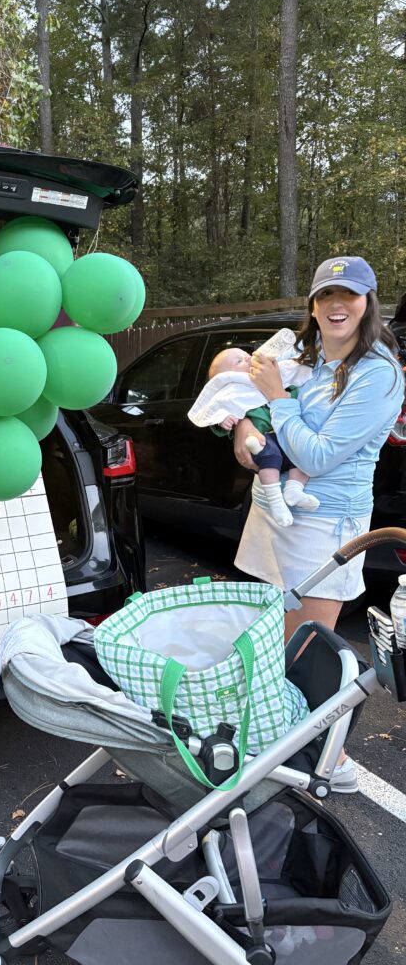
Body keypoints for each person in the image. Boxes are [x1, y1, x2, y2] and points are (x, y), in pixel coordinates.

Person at [232, 256, 403, 792]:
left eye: (348, 295)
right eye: (326, 294)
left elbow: (322, 454)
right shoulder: (307, 359)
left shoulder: (380, 373)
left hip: (327, 523)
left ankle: (331, 759)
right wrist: (244, 429)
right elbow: (262, 419)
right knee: (277, 640)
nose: (336, 305)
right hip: (274, 511)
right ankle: (280, 742)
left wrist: (276, 401)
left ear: (367, 302)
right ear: (312, 303)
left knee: (310, 648)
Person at [198, 346, 317, 527]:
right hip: (262, 438)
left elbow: (291, 385)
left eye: (247, 356)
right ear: (226, 377)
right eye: (239, 361)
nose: (247, 359)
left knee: (299, 456)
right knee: (270, 457)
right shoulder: (231, 391)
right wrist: (226, 420)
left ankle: (294, 489)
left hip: (284, 433)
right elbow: (216, 412)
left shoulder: (268, 376)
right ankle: (276, 500)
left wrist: (287, 393)